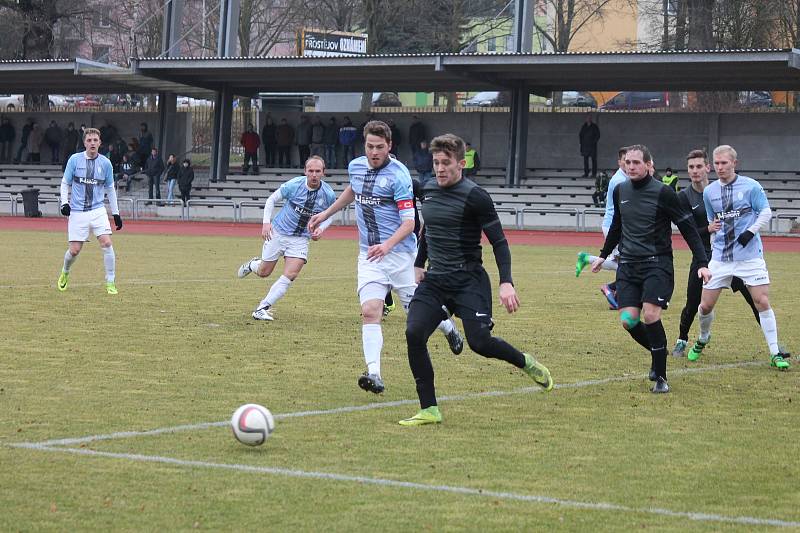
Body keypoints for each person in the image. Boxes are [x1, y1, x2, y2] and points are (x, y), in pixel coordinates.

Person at [398, 134, 553, 426]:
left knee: (479, 343)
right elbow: (429, 232)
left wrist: (506, 281)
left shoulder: (476, 196)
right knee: (413, 333)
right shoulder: (428, 189)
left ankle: (525, 362)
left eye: (446, 163)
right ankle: (429, 408)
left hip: (469, 279)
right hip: (435, 280)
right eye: (436, 163)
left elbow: (499, 242)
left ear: (461, 163)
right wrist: (419, 264)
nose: (440, 168)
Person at [308, 120, 463, 395]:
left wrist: (387, 246)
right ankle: (374, 373)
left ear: (390, 146)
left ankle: (448, 327)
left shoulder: (400, 176)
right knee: (370, 311)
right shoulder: (356, 166)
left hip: (401, 256)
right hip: (369, 254)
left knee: (418, 312)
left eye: (380, 147)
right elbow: (353, 189)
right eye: (370, 146)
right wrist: (325, 214)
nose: (374, 152)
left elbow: (408, 222)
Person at [590, 144, 711, 393]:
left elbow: (687, 227)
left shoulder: (664, 192)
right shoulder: (620, 190)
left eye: (636, 162)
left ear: (648, 165)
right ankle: (660, 350)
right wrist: (603, 255)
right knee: (627, 320)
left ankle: (660, 376)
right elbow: (616, 227)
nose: (631, 166)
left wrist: (701, 262)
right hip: (628, 265)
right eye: (627, 162)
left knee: (651, 315)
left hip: (657, 264)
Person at [671, 149, 790, 360]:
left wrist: (748, 232)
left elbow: (763, 212)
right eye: (691, 167)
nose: (720, 167)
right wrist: (709, 231)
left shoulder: (746, 186)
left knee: (758, 300)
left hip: (744, 256)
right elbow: (698, 227)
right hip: (711, 257)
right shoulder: (697, 195)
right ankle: (692, 338)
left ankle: (775, 349)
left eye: (723, 162)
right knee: (699, 304)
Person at [237, 156, 337, 320]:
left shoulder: (328, 194)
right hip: (278, 233)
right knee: (264, 272)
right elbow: (271, 200)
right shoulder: (294, 185)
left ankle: (262, 308)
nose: (314, 175)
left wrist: (321, 229)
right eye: (310, 171)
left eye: (317, 171)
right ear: (305, 171)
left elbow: (330, 215)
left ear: (323, 173)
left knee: (291, 274)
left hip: (300, 238)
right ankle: (252, 265)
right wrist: (266, 223)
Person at [57, 127, 123, 295]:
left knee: (107, 243)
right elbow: (65, 183)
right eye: (89, 140)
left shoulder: (106, 164)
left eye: (95, 140)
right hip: (77, 212)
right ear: (84, 143)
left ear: (100, 143)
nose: (92, 143)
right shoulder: (74, 160)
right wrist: (64, 203)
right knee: (74, 251)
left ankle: (110, 282)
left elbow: (110, 189)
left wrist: (116, 214)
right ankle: (65, 271)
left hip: (97, 210)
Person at [575, 147, 630, 309]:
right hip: (614, 227)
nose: (630, 164)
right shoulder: (620, 180)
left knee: (623, 263)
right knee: (625, 265)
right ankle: (611, 290)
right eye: (626, 161)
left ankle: (587, 259)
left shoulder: (623, 177)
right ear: (620, 162)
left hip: (615, 225)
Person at [579, 114, 600, 179]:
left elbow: (598, 135)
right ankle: (586, 173)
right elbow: (580, 135)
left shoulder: (594, 126)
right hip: (585, 146)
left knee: (594, 160)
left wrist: (593, 142)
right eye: (587, 118)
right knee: (585, 160)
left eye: (590, 118)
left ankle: (594, 174)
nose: (588, 119)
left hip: (592, 146)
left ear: (591, 119)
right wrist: (581, 143)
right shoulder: (584, 126)